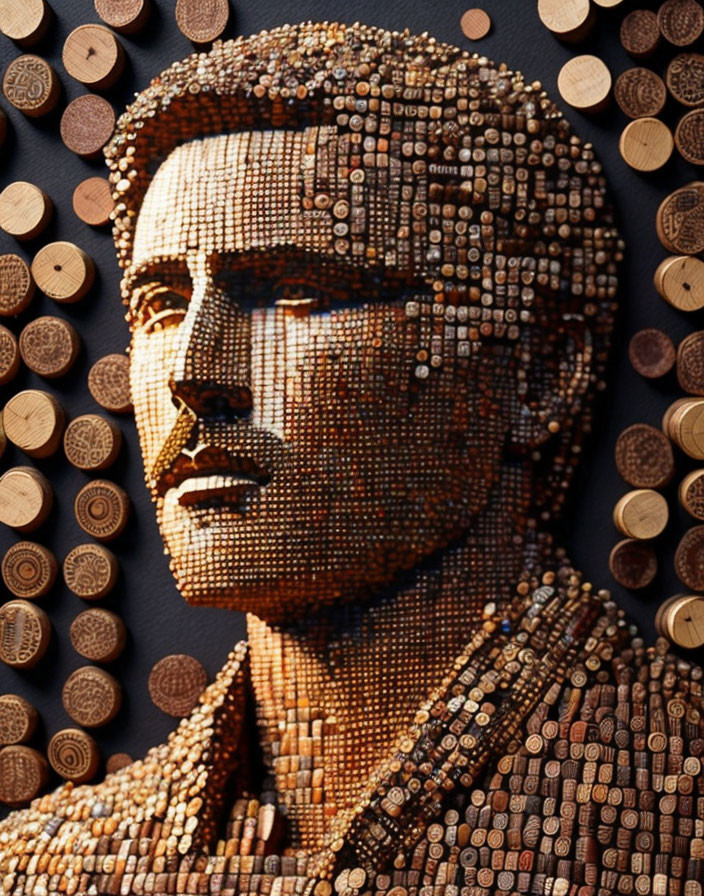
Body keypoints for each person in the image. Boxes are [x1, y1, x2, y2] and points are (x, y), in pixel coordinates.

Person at [1, 21, 703, 896]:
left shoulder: (678, 815)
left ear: (539, 372)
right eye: (163, 305)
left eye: (294, 290)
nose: (196, 374)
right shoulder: (49, 872)